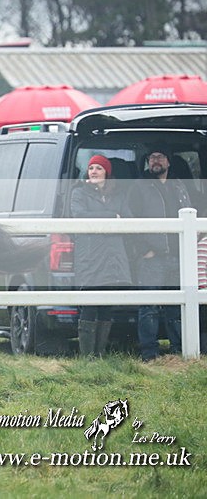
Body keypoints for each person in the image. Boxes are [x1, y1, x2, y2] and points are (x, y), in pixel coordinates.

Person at [128, 147, 191, 362]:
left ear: (168, 161)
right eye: (152, 157)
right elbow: (130, 220)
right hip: (152, 258)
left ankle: (177, 352)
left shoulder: (179, 185)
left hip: (177, 256)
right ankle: (150, 354)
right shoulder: (138, 186)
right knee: (149, 307)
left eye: (160, 157)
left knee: (176, 307)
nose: (156, 161)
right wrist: (144, 250)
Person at [69, 155, 132, 357]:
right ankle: (87, 356)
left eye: (98, 168)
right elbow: (79, 215)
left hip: (113, 257)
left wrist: (116, 218)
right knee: (89, 305)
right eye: (91, 168)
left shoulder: (118, 195)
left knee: (106, 306)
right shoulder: (79, 192)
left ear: (107, 172)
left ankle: (100, 353)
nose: (94, 172)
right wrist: (112, 216)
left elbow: (128, 218)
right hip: (90, 257)